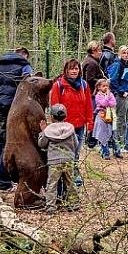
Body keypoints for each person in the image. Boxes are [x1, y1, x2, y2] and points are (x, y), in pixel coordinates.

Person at [0, 47, 32, 190]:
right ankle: (3, 182)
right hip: (10, 109)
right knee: (7, 143)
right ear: (24, 56)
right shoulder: (24, 66)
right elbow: (28, 85)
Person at [49, 59, 94, 187]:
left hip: (79, 125)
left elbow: (88, 105)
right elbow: (55, 107)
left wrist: (90, 122)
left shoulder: (84, 85)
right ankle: (63, 178)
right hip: (64, 127)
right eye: (71, 69)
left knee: (76, 152)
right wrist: (56, 125)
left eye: (76, 69)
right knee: (64, 153)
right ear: (66, 70)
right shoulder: (59, 86)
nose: (74, 71)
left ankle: (74, 173)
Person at [38, 104, 79, 213]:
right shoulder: (70, 128)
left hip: (54, 162)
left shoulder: (49, 130)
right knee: (70, 182)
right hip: (68, 160)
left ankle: (51, 206)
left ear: (51, 117)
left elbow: (42, 144)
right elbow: (76, 143)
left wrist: (43, 131)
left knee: (52, 184)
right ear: (65, 115)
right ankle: (74, 203)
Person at [107, 45, 128, 152]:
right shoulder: (117, 65)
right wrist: (121, 91)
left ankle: (122, 140)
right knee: (120, 118)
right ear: (119, 54)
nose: (126, 55)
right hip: (120, 95)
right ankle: (117, 142)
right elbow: (113, 80)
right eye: (124, 53)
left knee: (126, 118)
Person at [93, 79, 121, 160]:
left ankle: (117, 151)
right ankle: (105, 153)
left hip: (111, 116)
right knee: (103, 135)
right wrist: (108, 98)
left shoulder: (111, 94)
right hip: (102, 117)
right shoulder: (98, 96)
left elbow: (114, 103)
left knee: (113, 134)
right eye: (103, 86)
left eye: (107, 86)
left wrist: (108, 100)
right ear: (99, 87)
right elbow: (103, 103)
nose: (106, 88)